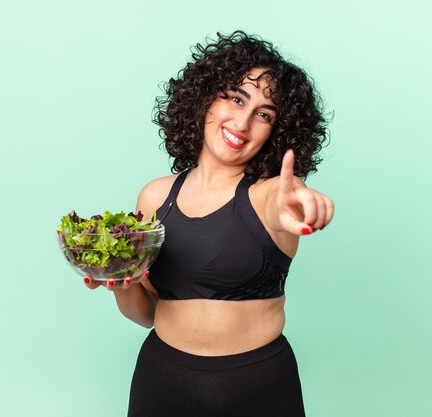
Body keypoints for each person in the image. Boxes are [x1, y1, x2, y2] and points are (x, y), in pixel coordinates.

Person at [83, 30, 334, 417]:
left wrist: (300, 201)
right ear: (205, 99)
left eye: (263, 114)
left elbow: (284, 200)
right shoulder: (155, 198)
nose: (243, 121)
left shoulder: (269, 195)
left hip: (258, 388)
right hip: (161, 381)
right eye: (236, 98)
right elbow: (148, 313)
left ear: (276, 132)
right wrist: (119, 284)